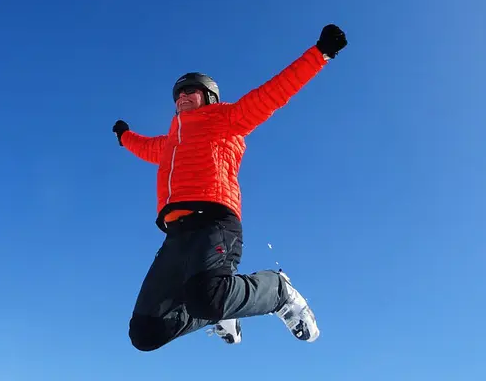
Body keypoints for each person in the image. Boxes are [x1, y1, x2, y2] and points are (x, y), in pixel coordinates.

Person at [112, 24, 347, 352]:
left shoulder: (225, 119)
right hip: (176, 234)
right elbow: (144, 147)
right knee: (146, 332)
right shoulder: (170, 144)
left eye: (190, 91)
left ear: (209, 96)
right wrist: (124, 136)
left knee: (209, 297)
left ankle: (278, 290)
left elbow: (272, 94)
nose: (182, 97)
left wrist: (319, 54)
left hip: (213, 221)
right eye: (178, 94)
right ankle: (223, 313)